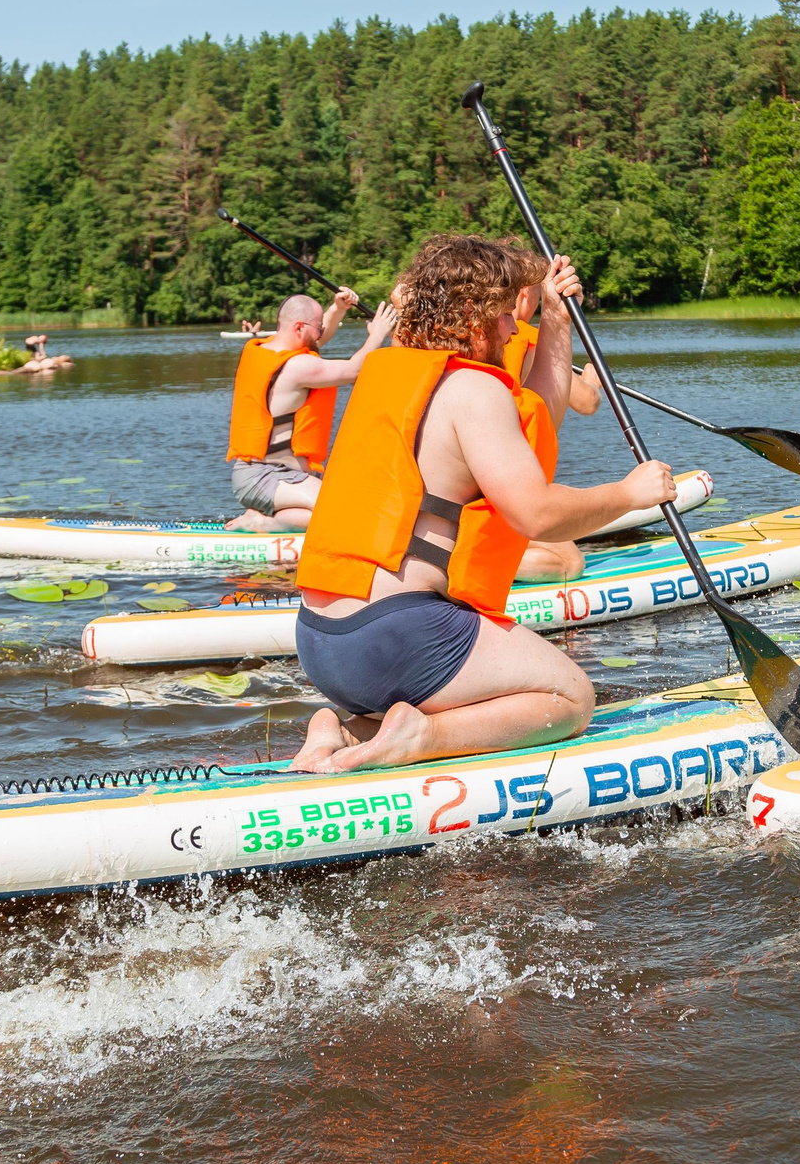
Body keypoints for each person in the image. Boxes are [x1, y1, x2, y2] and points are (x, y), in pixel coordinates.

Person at [288, 234, 674, 772]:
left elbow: (537, 416)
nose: (516, 328)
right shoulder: (473, 390)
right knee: (570, 698)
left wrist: (558, 320)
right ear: (474, 313)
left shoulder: (392, 370)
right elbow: (535, 513)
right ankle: (420, 736)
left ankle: (343, 731)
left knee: (482, 678)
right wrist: (630, 494)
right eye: (507, 313)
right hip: (396, 636)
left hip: (319, 640)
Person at [223, 284, 396, 532]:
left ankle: (274, 514)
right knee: (344, 511)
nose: (321, 334)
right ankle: (263, 522)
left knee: (351, 504)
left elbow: (315, 338)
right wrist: (377, 334)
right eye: (319, 328)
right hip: (267, 477)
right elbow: (354, 370)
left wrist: (337, 309)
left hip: (267, 476)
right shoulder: (296, 367)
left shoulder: (265, 350)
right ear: (299, 327)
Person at [499, 250, 606, 581]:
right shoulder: (525, 334)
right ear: (524, 293)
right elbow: (586, 403)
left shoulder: (481, 335)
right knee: (571, 563)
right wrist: (592, 381)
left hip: (501, 483)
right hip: (510, 488)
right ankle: (469, 567)